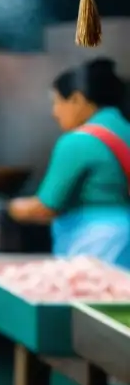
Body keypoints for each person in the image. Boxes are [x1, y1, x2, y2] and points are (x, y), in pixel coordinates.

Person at [9, 59, 130, 266]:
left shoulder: (77, 141)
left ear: (76, 100)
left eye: (56, 102)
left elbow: (46, 207)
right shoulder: (125, 129)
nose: (54, 112)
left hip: (96, 246)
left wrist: (11, 208)